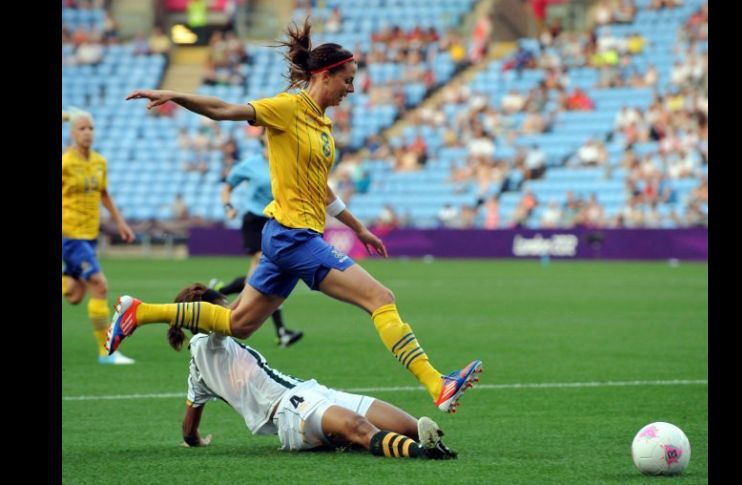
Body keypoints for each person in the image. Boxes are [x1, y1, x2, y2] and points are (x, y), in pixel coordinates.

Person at [113, 18, 482, 413]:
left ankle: (140, 310)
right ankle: (436, 384)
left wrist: (360, 229)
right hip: (293, 236)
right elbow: (225, 110)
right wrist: (174, 94)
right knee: (380, 298)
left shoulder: (323, 124)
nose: (351, 89)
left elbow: (321, 189)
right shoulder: (286, 108)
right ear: (325, 75)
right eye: (348, 80)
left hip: (287, 236)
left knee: (239, 324)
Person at [170, 283, 457, 459]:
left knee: (407, 426)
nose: (230, 309)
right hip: (289, 410)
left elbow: (188, 427)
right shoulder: (209, 342)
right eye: (223, 305)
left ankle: (345, 440)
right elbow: (225, 320)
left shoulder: (200, 367)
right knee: (359, 427)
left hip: (310, 392)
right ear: (208, 314)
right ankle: (422, 453)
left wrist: (195, 440)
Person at [62, 108, 136, 365]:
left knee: (73, 294)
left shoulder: (99, 162)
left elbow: (104, 194)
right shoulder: (65, 162)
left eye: (91, 128)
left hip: (89, 234)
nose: (87, 133)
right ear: (72, 133)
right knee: (99, 285)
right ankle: (106, 352)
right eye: (82, 128)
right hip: (69, 235)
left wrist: (120, 223)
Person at [209, 151, 304, 348]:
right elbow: (227, 186)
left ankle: (221, 291)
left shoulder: (286, 160)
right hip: (254, 220)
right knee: (264, 266)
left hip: (277, 220)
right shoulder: (251, 164)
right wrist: (228, 207)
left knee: (267, 274)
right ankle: (279, 331)